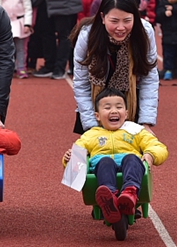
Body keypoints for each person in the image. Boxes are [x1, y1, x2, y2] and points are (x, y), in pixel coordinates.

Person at [62, 88, 168, 224]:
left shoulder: (135, 131)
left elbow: (157, 146)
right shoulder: (90, 135)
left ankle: (130, 192)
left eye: (119, 107)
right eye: (107, 107)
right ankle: (109, 197)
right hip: (102, 169)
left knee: (132, 158)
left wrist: (150, 155)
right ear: (97, 116)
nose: (113, 111)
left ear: (126, 113)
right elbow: (76, 155)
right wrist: (68, 159)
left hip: (130, 167)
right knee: (105, 161)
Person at [71, 0, 159, 133]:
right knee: (94, 153)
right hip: (96, 105)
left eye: (127, 21)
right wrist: (91, 126)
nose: (120, 27)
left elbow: (149, 78)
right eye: (114, 21)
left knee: (133, 153)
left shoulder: (144, 33)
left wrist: (146, 122)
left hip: (130, 103)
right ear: (102, 17)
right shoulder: (88, 36)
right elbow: (81, 83)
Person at [0, 0, 33, 78]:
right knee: (6, 48)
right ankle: (7, 68)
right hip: (6, 24)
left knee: (21, 48)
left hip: (20, 23)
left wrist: (27, 24)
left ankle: (21, 67)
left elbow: (28, 9)